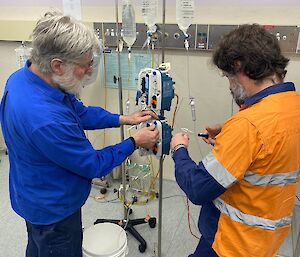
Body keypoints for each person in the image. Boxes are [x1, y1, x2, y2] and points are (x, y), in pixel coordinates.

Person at [0, 12, 159, 257]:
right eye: (84, 67)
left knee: (37, 247)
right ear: (57, 64)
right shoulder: (45, 118)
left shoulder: (25, 78)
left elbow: (80, 112)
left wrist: (122, 119)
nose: (88, 72)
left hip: (31, 193)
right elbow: (93, 164)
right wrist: (134, 141)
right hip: (54, 211)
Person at [171, 24, 300, 257]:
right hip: (266, 240)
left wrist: (179, 150)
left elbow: (198, 189)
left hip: (231, 243)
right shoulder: (293, 106)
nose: (229, 85)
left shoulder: (248, 126)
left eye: (229, 76)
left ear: (240, 67)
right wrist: (229, 133)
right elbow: (268, 153)